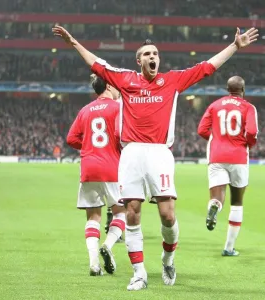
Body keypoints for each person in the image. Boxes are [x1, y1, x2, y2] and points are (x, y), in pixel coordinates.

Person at [53, 24, 258, 290]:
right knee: (132, 213)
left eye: (156, 54)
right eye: (147, 54)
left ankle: (168, 258)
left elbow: (208, 67)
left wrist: (234, 46)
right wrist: (72, 42)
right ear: (139, 61)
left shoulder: (172, 81)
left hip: (159, 153)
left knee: (168, 216)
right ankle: (138, 273)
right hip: (132, 154)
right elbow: (97, 64)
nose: (153, 57)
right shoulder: (125, 80)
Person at [67, 74, 126, 276]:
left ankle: (94, 264)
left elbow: (71, 138)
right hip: (112, 168)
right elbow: (125, 136)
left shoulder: (85, 110)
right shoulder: (119, 107)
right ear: (109, 85)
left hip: (89, 168)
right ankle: (108, 245)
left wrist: (87, 145)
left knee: (93, 217)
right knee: (121, 212)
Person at [197, 76, 258, 256]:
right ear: (243, 89)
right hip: (239, 156)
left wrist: (217, 140)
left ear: (227, 88)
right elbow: (252, 132)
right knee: (237, 203)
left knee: (217, 196)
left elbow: (201, 129)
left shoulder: (215, 105)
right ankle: (229, 248)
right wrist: (248, 143)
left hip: (216, 155)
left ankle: (214, 205)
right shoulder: (248, 107)